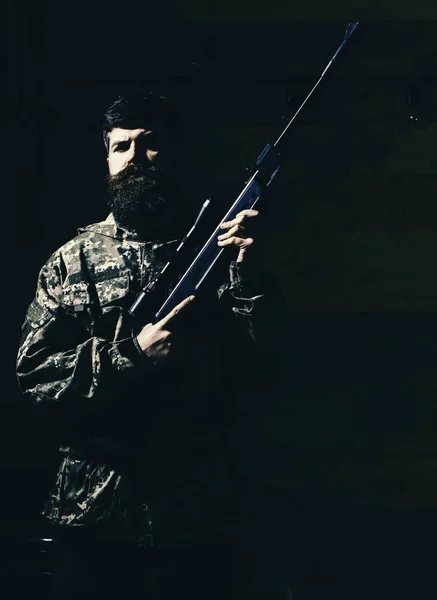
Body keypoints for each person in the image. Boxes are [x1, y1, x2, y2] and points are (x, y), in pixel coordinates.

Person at [15, 92, 276, 599]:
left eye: (150, 144)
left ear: (176, 151)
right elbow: (35, 377)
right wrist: (133, 354)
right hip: (93, 514)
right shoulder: (73, 261)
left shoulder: (217, 251)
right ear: (107, 159)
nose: (134, 158)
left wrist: (249, 274)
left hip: (202, 512)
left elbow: (269, 364)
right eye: (121, 147)